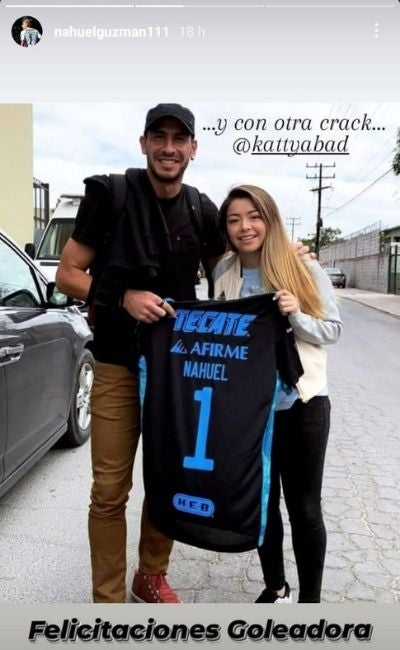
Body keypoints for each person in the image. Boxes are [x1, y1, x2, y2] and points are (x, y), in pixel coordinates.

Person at [56, 104, 226, 603]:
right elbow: (67, 274)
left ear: (193, 148)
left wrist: (289, 258)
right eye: (159, 137)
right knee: (109, 491)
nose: (169, 148)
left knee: (166, 478)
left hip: (177, 371)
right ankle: (107, 600)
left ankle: (150, 575)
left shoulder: (202, 210)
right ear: (144, 143)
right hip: (116, 366)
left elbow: (233, 275)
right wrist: (122, 296)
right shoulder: (112, 196)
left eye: (179, 139)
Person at [213, 184, 343, 603]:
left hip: (302, 405)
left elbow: (332, 330)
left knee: (304, 509)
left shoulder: (301, 266)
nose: (245, 227)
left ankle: (310, 604)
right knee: (263, 504)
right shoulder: (223, 272)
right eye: (234, 219)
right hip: (251, 411)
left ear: (270, 219)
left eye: (254, 217)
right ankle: (277, 588)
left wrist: (296, 315)